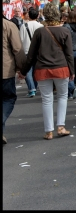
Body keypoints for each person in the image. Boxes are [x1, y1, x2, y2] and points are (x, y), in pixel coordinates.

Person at [26, 4, 74, 140]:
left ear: (45, 15)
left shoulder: (40, 32)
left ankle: (48, 131)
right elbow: (69, 54)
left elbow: (31, 55)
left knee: (46, 99)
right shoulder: (65, 31)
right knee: (62, 96)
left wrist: (23, 71)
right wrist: (72, 71)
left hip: (42, 69)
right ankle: (61, 126)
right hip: (61, 68)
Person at [3, 15, 29, 144]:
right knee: (8, 98)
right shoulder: (8, 25)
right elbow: (18, 49)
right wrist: (22, 69)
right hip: (5, 70)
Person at [19, 7, 44, 98]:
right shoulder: (41, 26)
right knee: (36, 70)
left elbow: (20, 40)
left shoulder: (23, 26)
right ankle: (35, 87)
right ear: (38, 16)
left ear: (28, 16)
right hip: (38, 51)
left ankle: (31, 89)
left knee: (28, 71)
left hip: (26, 50)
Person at [63, 11, 76, 99]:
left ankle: (71, 89)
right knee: (74, 70)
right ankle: (71, 90)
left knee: (68, 72)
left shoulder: (66, 27)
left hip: (68, 51)